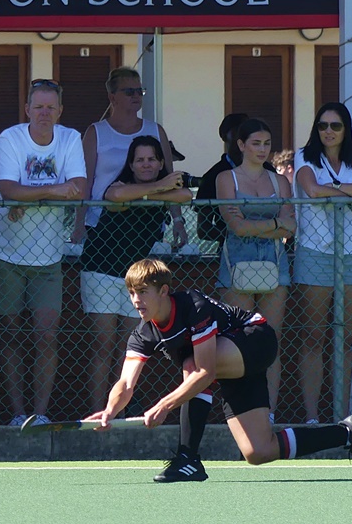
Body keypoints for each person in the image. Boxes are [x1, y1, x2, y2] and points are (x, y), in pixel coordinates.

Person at [84, 258, 352, 483]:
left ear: (163, 291)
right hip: (231, 364)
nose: (136, 300)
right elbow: (125, 383)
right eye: (132, 293)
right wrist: (110, 410)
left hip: (256, 339)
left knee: (193, 365)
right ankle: (347, 432)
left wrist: (164, 405)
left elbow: (204, 372)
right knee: (257, 451)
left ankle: (188, 458)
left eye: (143, 292)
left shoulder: (193, 306)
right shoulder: (143, 333)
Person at [0, 79, 87, 426]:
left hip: (49, 257)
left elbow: (79, 189)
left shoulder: (70, 139)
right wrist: (54, 189)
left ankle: (40, 414)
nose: (44, 113)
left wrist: (30, 196)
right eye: (38, 107)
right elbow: (10, 190)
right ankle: (18, 413)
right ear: (27, 109)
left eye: (50, 107)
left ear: (60, 110)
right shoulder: (10, 138)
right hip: (5, 254)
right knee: (9, 335)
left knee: (47, 336)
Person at [79, 135, 191, 414]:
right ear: (130, 163)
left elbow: (185, 195)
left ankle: (116, 410)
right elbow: (115, 196)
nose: (146, 164)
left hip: (137, 280)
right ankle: (96, 410)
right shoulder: (119, 185)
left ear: (161, 162)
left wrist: (152, 191)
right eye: (139, 160)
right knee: (102, 346)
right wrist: (158, 188)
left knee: (128, 350)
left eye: (152, 159)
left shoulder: (162, 189)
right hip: (100, 270)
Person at [293, 102, 352, 423]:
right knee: (313, 336)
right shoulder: (304, 156)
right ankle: (313, 417)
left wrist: (339, 189)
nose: (328, 131)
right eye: (323, 125)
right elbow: (312, 190)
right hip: (314, 251)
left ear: (346, 129)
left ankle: (342, 416)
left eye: (336, 125)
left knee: (345, 338)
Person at [216, 118, 295, 423]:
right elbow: (234, 225)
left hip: (275, 267)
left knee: (269, 342)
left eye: (266, 144)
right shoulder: (227, 179)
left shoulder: (280, 182)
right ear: (241, 146)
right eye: (255, 144)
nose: (262, 150)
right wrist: (274, 224)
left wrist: (257, 226)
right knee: (237, 343)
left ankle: (268, 413)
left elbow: (291, 226)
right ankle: (240, 413)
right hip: (235, 266)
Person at [73, 67, 186, 250]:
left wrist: (178, 221)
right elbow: (85, 181)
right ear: (112, 97)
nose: (136, 96)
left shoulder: (156, 130)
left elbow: (170, 179)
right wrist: (78, 224)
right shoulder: (96, 132)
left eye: (139, 91)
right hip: (102, 222)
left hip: (148, 221)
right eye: (129, 92)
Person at [196, 113, 248, 246]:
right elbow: (203, 229)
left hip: (269, 248)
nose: (242, 138)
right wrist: (243, 233)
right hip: (229, 250)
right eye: (237, 132)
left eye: (247, 132)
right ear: (225, 136)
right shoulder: (212, 177)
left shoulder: (267, 170)